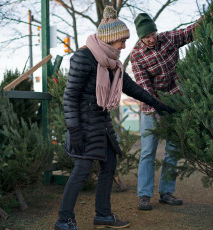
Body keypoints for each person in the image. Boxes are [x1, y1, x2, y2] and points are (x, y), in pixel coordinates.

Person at [54, 6, 175, 230]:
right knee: (81, 170)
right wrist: (74, 130)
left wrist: (160, 105)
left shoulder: (113, 65)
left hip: (101, 123)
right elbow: (69, 97)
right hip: (82, 125)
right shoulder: (83, 58)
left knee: (109, 165)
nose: (124, 45)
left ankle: (103, 215)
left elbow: (134, 89)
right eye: (122, 40)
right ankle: (64, 220)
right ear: (110, 39)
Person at [130, 13, 201, 210]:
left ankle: (166, 192)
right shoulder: (137, 56)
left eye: (153, 34)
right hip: (152, 105)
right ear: (141, 38)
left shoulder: (168, 38)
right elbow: (145, 87)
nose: (152, 39)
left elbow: (190, 32)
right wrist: (159, 106)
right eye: (147, 37)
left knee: (173, 150)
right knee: (147, 152)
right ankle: (144, 195)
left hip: (177, 99)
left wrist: (207, 18)